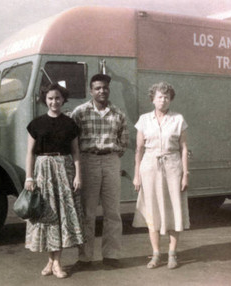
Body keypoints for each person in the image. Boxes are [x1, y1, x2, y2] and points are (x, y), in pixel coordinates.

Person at [24, 83, 84, 278]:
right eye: (50, 98)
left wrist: (78, 174)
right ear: (45, 100)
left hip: (64, 170)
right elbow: (30, 153)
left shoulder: (70, 123)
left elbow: (75, 152)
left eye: (57, 98)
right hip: (43, 171)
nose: (54, 102)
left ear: (63, 99)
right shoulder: (36, 124)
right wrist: (29, 176)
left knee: (62, 215)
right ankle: (51, 261)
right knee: (48, 215)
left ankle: (57, 263)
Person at [71, 74, 129, 270]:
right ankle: (85, 257)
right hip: (89, 161)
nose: (101, 91)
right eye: (97, 88)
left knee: (112, 211)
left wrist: (112, 153)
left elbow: (124, 139)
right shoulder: (79, 113)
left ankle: (111, 255)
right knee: (88, 212)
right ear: (91, 91)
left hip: (111, 161)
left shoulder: (118, 113)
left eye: (104, 88)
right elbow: (72, 141)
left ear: (108, 90)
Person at [132, 82, 190, 269]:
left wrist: (185, 174)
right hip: (149, 168)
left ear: (170, 99)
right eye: (159, 97)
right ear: (153, 99)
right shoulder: (143, 120)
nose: (163, 100)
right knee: (152, 211)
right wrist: (136, 175)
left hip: (173, 167)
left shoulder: (178, 119)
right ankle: (156, 254)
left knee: (174, 209)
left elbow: (183, 148)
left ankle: (172, 253)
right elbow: (139, 149)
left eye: (166, 97)